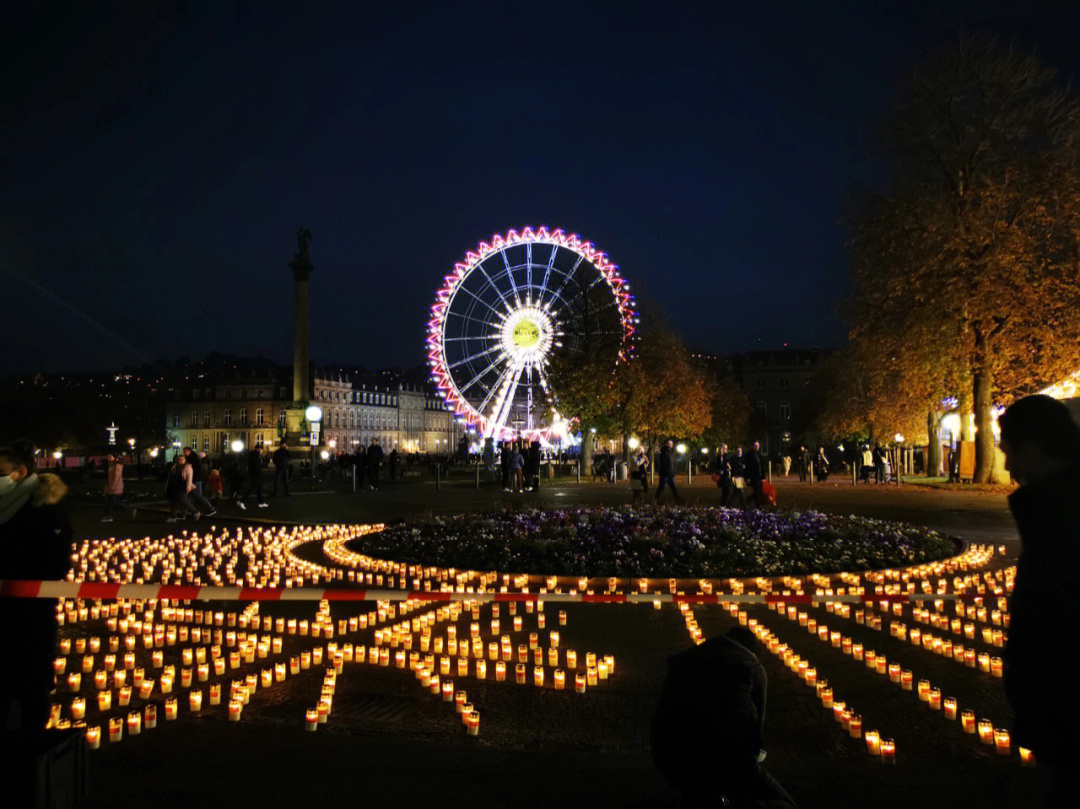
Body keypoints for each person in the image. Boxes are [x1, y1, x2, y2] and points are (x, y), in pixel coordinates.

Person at [998, 395, 1080, 802]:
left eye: (1008, 452)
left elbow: (1053, 624)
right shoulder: (1052, 509)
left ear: (1030, 448)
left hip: (1066, 725)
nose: (1008, 467)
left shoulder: (1059, 518)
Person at [651, 627, 796, 809]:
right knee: (786, 804)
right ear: (752, 649)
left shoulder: (688, 658)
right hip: (721, 761)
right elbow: (755, 730)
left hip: (667, 756)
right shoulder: (751, 665)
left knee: (700, 787)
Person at [0, 442, 73, 735]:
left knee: (31, 689)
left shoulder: (46, 508)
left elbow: (57, 563)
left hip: (31, 616)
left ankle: (32, 760)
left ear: (20, 472)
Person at [183, 447, 216, 516]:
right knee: (188, 497)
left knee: (198, 495)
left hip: (195, 479)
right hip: (195, 479)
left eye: (185, 452)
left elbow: (196, 471)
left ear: (189, 451)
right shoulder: (194, 459)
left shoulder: (193, 460)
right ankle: (185, 512)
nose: (184, 453)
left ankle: (211, 508)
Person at [103, 453, 136, 522]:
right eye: (108, 456)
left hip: (116, 487)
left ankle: (130, 509)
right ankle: (108, 516)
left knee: (115, 502)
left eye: (110, 456)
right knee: (108, 502)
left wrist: (112, 487)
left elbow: (116, 477)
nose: (108, 457)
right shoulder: (111, 464)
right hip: (110, 487)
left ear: (114, 457)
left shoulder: (118, 464)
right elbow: (109, 477)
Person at [655, 439, 682, 504]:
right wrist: (667, 472)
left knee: (672, 487)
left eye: (671, 443)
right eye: (669, 443)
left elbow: (669, 463)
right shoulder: (665, 452)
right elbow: (664, 464)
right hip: (665, 474)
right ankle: (655, 499)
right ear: (666, 444)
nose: (671, 445)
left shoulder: (668, 452)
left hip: (668, 474)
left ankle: (678, 499)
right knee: (662, 487)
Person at [165, 454, 190, 521]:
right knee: (174, 502)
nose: (181, 461)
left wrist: (188, 486)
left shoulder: (186, 467)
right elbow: (170, 476)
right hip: (173, 486)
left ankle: (194, 511)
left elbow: (189, 478)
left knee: (183, 500)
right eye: (180, 459)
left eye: (183, 459)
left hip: (181, 486)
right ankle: (174, 516)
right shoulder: (174, 467)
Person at [744, 441, 768, 508]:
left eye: (758, 445)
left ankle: (748, 501)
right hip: (753, 476)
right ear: (752, 446)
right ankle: (758, 506)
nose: (757, 447)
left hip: (759, 476)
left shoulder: (760, 454)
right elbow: (747, 467)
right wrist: (747, 477)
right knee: (757, 492)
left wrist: (763, 477)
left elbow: (762, 466)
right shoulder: (749, 455)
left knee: (759, 492)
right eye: (755, 445)